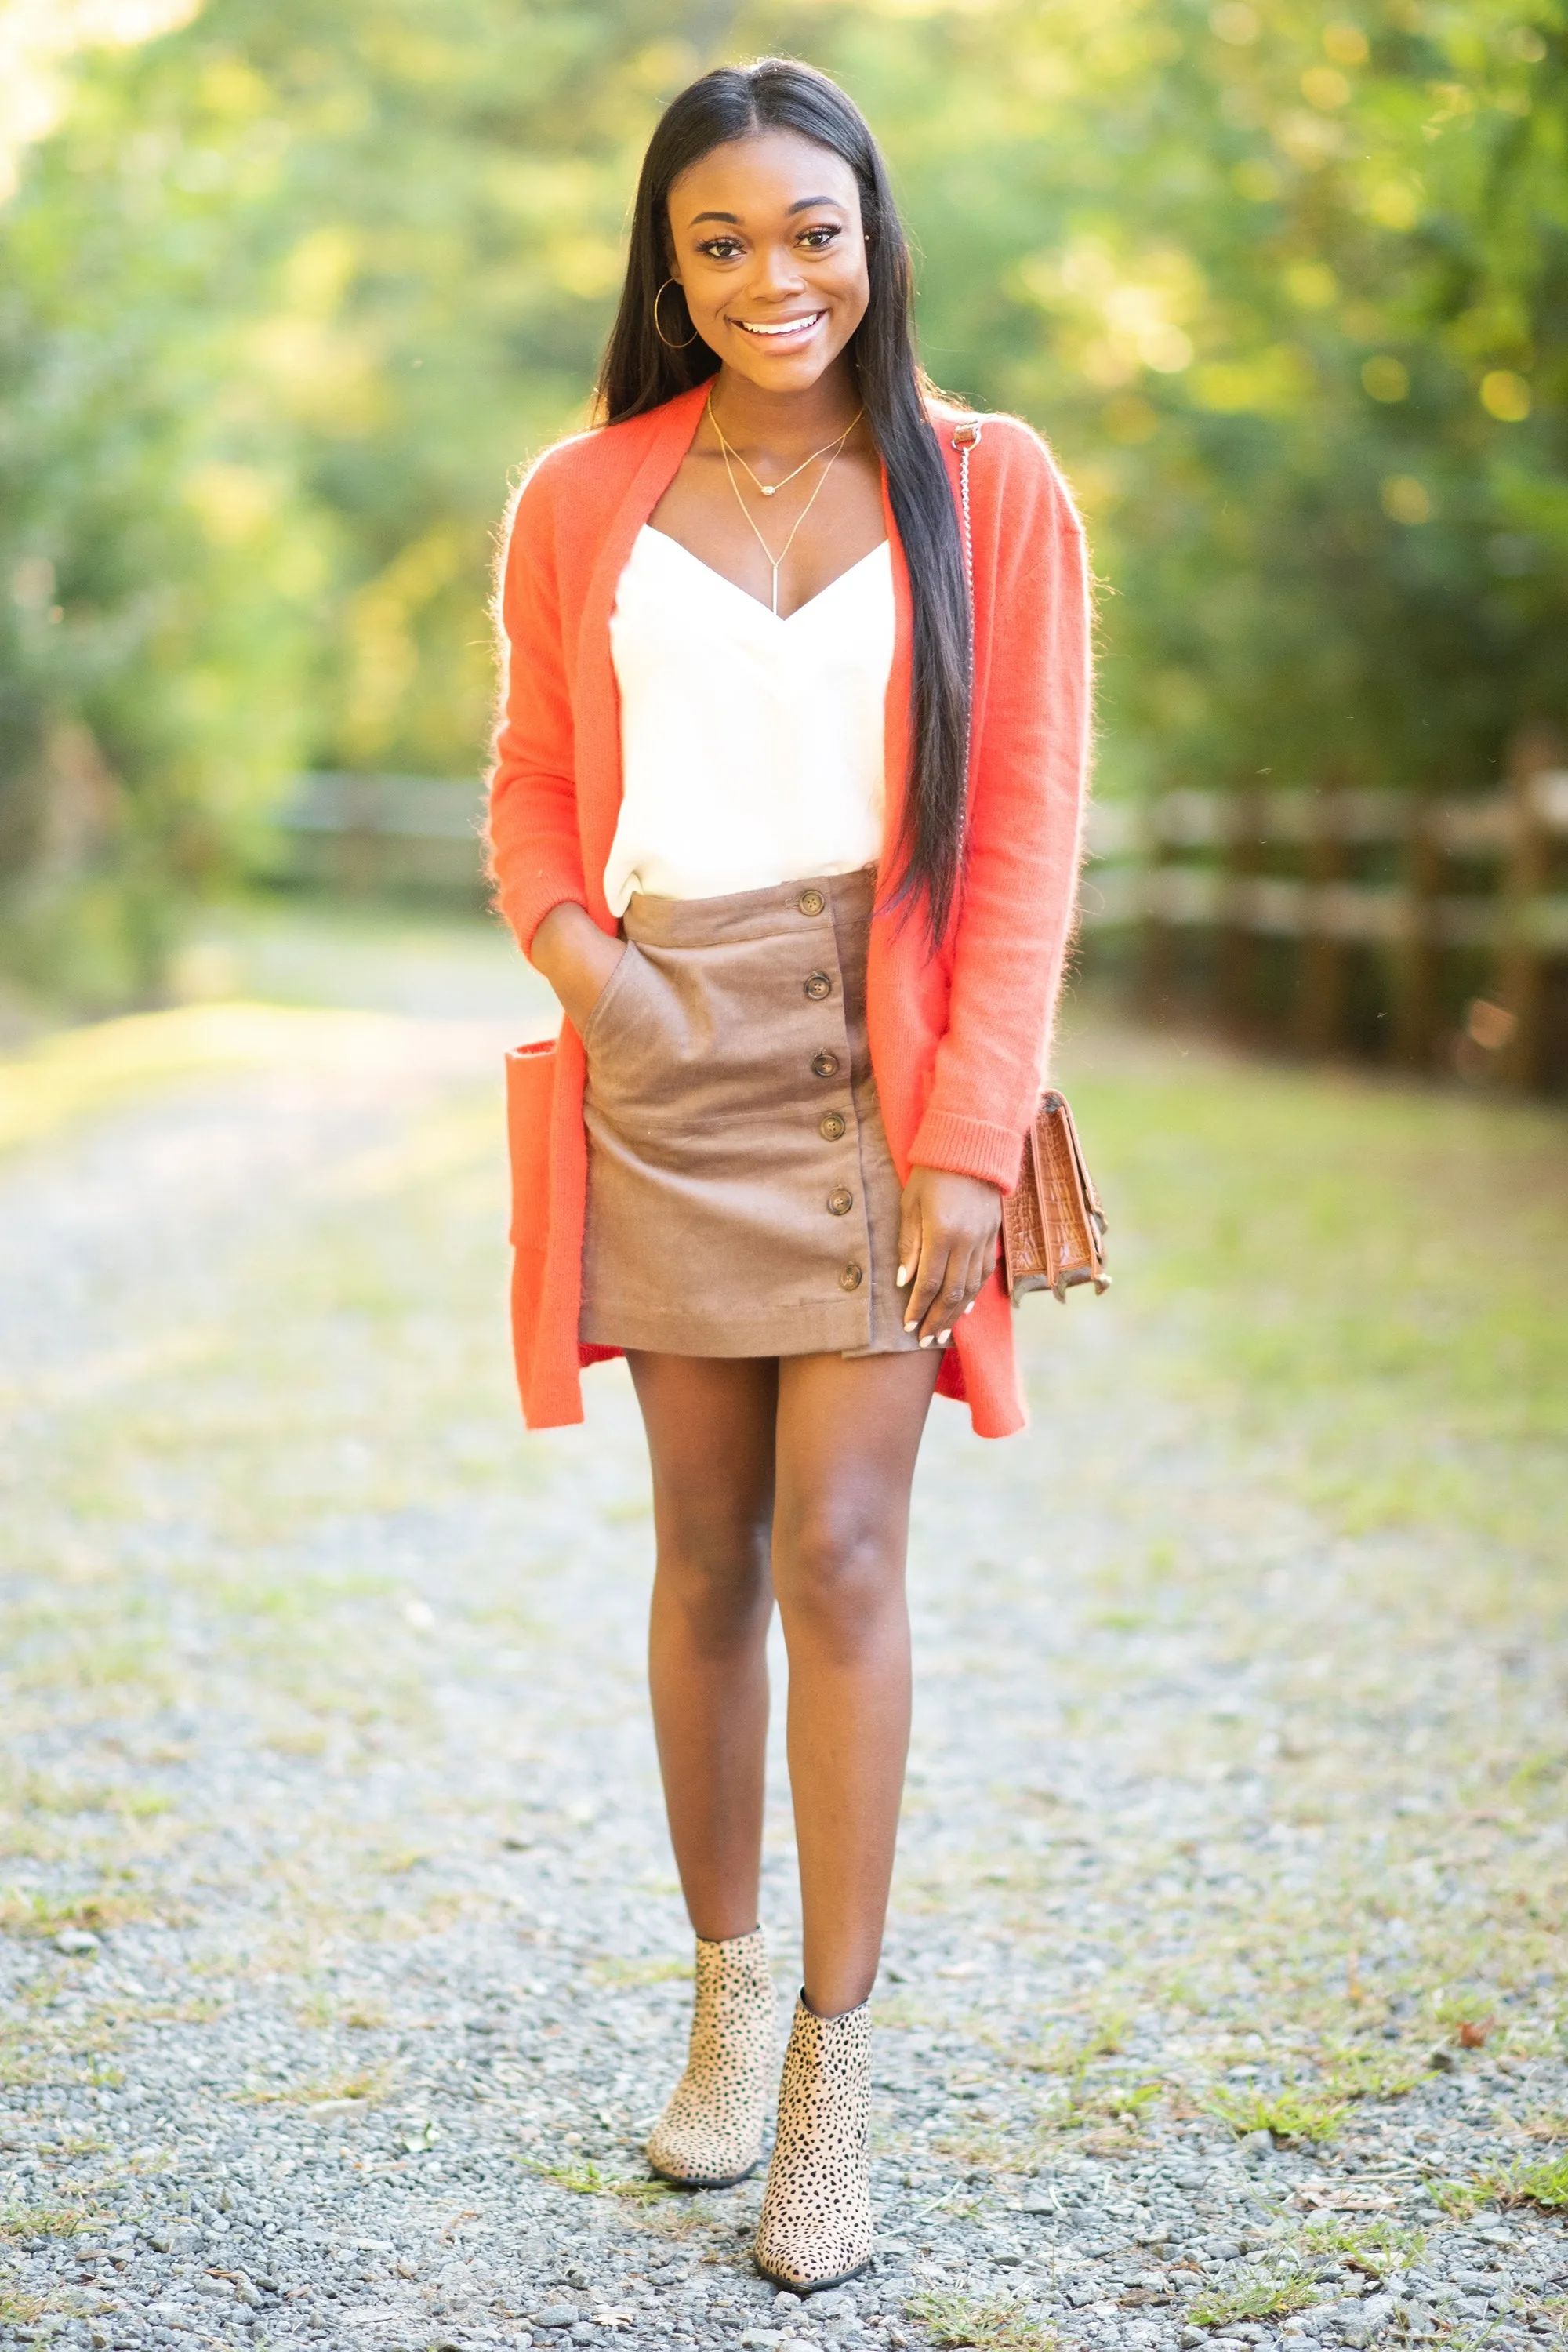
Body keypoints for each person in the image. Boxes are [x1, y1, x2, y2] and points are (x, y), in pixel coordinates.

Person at [487, 57, 1089, 2295]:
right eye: (723, 240)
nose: (777, 277)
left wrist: (967, 1143)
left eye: (814, 230)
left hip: (885, 1057)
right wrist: (590, 974)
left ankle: (839, 2073)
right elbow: (535, 787)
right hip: (663, 1049)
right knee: (701, 1549)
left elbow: (1021, 835)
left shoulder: (987, 484)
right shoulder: (583, 495)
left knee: (842, 1549)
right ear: (670, 262)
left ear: (877, 235)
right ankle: (726, 2003)